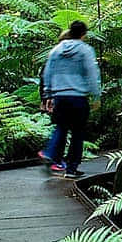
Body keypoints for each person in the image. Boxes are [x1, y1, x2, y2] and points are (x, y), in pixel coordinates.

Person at [39, 20, 101, 178]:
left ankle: (51, 153)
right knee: (78, 133)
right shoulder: (85, 50)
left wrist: (48, 93)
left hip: (60, 96)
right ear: (83, 34)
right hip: (78, 97)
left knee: (61, 127)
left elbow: (48, 73)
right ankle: (72, 169)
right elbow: (92, 73)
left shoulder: (56, 50)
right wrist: (95, 95)